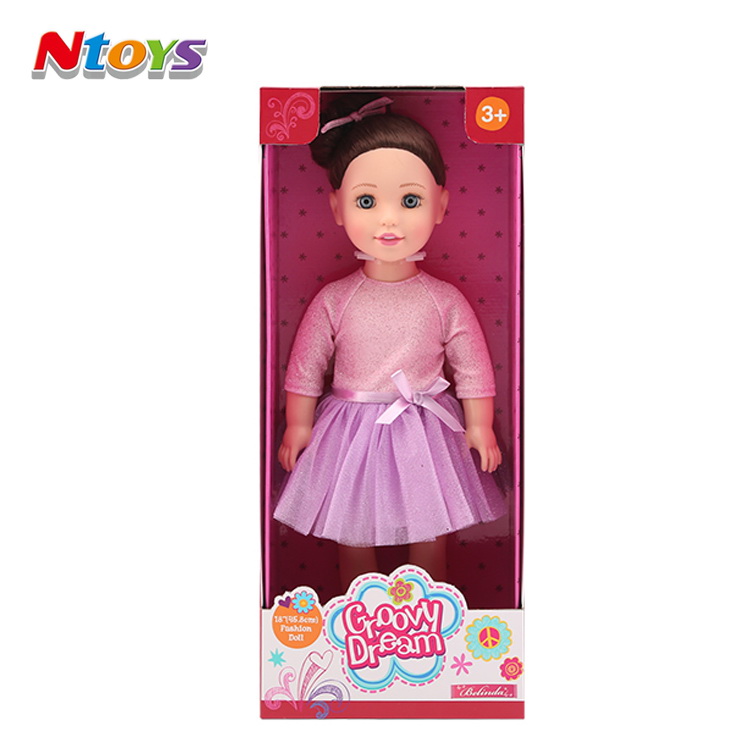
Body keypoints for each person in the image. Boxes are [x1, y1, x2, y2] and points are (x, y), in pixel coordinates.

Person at [274, 95, 505, 588]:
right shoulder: (336, 299)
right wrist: (298, 423)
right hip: (349, 430)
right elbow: (306, 365)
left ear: (441, 204)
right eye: (366, 201)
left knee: (430, 526)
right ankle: (359, 608)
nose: (389, 220)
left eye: (410, 201)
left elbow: (472, 366)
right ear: (336, 208)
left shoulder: (443, 299)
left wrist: (479, 424)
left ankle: (428, 608)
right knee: (353, 527)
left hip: (425, 428)